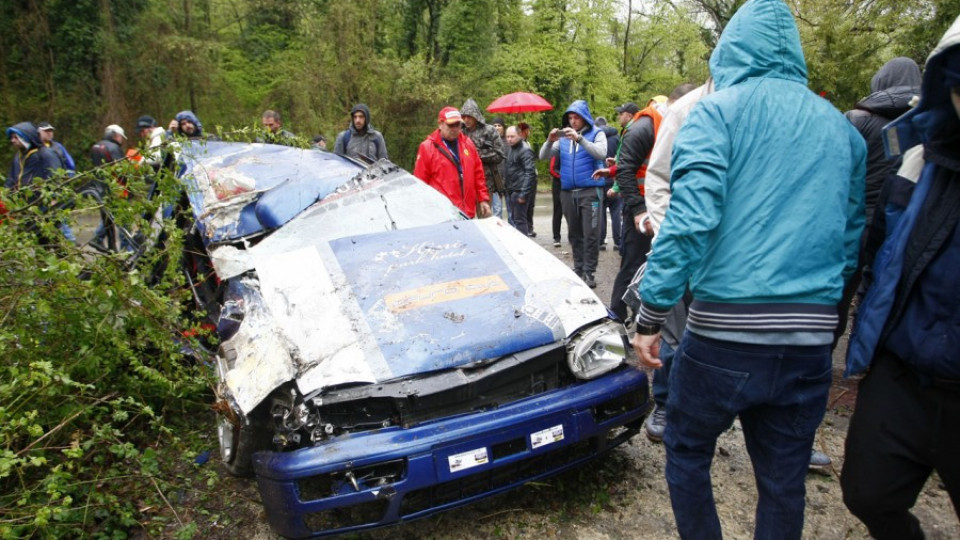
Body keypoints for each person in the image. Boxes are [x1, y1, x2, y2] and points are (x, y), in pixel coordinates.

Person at [630, 1, 866, 538]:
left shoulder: (716, 112)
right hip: (808, 345)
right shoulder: (843, 131)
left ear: (730, 49)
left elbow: (689, 223)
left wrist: (650, 318)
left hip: (723, 337)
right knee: (784, 480)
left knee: (687, 451)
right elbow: (849, 243)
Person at [841, 15, 960, 540]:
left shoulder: (860, 122)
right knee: (866, 491)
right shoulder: (917, 156)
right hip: (903, 366)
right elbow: (883, 248)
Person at [539, 100, 607, 288]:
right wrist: (549, 140)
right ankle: (578, 268)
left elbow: (601, 153)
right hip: (568, 192)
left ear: (584, 118)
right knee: (574, 233)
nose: (573, 121)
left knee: (591, 233)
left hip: (591, 191)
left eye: (576, 117)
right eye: (570, 118)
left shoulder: (597, 133)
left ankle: (590, 271)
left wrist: (580, 139)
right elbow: (543, 156)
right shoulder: (563, 140)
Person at [413, 106, 491, 219]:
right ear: (440, 124)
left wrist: (483, 199)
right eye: (451, 125)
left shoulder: (467, 143)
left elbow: (478, 174)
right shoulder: (427, 147)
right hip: (442, 213)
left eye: (458, 125)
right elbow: (420, 182)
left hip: (467, 211)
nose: (455, 128)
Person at [461, 99, 506, 219]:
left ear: (476, 115)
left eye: (469, 116)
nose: (466, 120)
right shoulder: (460, 132)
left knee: (485, 219)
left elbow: (500, 155)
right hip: (464, 184)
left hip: (486, 183)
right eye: (464, 116)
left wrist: (476, 156)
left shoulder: (489, 130)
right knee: (465, 219)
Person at [594, 116, 621, 253]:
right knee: (616, 212)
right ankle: (618, 242)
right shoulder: (617, 138)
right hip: (615, 177)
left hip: (601, 178)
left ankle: (601, 242)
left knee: (601, 212)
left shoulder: (595, 138)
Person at [503, 125, 536, 235]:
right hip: (512, 190)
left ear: (520, 135)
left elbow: (530, 173)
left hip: (519, 191)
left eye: (512, 136)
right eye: (507, 137)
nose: (509, 139)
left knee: (520, 221)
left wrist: (523, 194)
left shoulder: (525, 150)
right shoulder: (511, 149)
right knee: (514, 220)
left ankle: (524, 247)